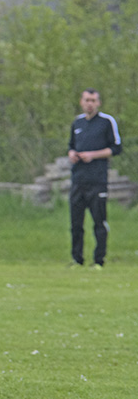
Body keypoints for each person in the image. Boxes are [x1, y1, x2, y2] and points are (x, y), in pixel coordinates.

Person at [68, 89, 122, 269]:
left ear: (98, 103)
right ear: (81, 102)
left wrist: (93, 155)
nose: (89, 103)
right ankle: (77, 259)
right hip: (78, 180)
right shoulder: (77, 122)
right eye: (86, 100)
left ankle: (99, 260)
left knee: (99, 221)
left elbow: (116, 148)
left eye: (93, 100)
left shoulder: (106, 122)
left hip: (97, 181)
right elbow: (70, 146)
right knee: (76, 223)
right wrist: (72, 154)